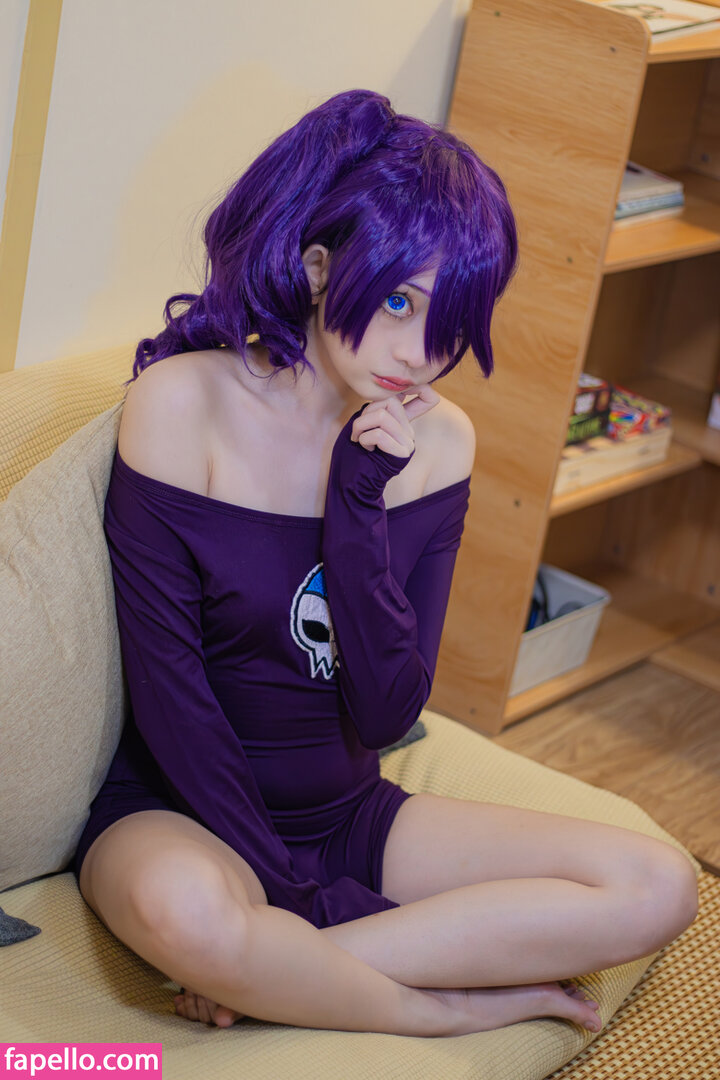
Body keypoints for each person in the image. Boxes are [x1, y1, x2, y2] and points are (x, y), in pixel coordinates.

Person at [72, 89, 698, 1039]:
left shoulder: (437, 445)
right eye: (398, 300)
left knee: (658, 884)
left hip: (350, 814)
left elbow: (387, 712)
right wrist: (281, 896)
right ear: (319, 267)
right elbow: (172, 700)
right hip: (180, 812)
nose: (420, 355)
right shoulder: (182, 406)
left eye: (450, 319)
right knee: (192, 916)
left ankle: (284, 975)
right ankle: (437, 1009)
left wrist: (358, 506)